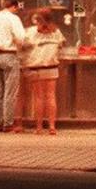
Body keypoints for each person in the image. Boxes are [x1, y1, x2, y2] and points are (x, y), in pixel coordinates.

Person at [21, 7, 65, 135]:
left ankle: (39, 128)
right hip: (51, 67)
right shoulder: (56, 32)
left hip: (36, 67)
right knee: (51, 96)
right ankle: (52, 127)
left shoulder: (30, 32)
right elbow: (61, 45)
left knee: (38, 97)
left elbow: (22, 45)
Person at [0, 0, 26, 132]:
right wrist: (19, 47)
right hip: (9, 55)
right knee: (10, 92)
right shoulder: (14, 19)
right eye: (17, 8)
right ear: (14, 7)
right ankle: (8, 124)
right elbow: (20, 37)